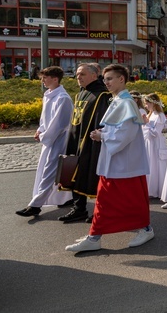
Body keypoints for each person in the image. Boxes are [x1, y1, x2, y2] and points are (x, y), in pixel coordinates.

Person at [65, 64, 153, 252]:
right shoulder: (118, 100)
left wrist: (102, 136)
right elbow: (118, 129)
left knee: (119, 200)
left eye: (110, 78)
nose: (106, 82)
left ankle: (97, 237)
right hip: (118, 162)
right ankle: (97, 235)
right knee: (116, 201)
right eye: (105, 79)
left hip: (123, 163)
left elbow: (126, 134)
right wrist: (104, 132)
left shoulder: (125, 102)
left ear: (122, 79)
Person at [16, 66, 73, 217]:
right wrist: (40, 130)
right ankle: (65, 198)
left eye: (45, 78)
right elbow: (45, 118)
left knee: (49, 171)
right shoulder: (49, 94)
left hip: (58, 140)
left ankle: (35, 205)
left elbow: (59, 124)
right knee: (47, 170)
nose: (42, 81)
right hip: (49, 138)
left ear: (55, 79)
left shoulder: (63, 98)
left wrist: (44, 136)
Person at [58, 63, 111, 224]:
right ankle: (78, 208)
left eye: (82, 74)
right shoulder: (81, 93)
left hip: (92, 143)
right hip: (76, 140)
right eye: (77, 74)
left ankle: (100, 211)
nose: (78, 77)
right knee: (74, 174)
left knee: (92, 175)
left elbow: (103, 122)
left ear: (95, 76)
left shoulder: (102, 95)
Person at [142, 93, 167, 198]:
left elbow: (156, 132)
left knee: (156, 164)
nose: (146, 106)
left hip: (156, 143)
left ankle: (158, 188)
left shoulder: (160, 116)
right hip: (149, 143)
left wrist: (146, 123)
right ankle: (150, 188)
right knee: (150, 164)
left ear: (153, 103)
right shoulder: (151, 114)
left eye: (147, 103)